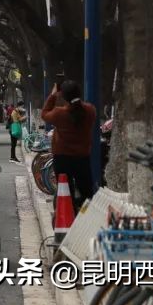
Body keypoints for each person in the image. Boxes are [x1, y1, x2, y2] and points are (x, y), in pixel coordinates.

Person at [41, 79, 96, 213]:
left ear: (63, 96)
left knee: (66, 192)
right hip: (82, 158)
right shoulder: (90, 110)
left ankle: (69, 217)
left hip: (62, 158)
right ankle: (85, 216)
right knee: (87, 192)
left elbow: (44, 114)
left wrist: (53, 95)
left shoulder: (59, 113)